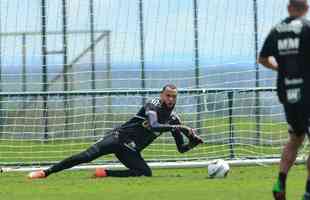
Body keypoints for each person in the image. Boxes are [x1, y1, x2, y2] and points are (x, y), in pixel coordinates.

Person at [28, 84, 203, 179]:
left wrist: (192, 144)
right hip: (118, 138)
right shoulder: (153, 104)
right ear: (162, 95)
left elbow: (181, 149)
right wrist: (180, 128)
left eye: (174, 96)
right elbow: (154, 125)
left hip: (131, 150)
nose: (171, 99)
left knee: (145, 173)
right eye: (168, 95)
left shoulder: (174, 120)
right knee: (86, 156)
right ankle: (46, 173)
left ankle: (105, 173)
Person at [258, 0, 310, 199]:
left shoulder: (276, 30)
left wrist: (279, 68)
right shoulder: (306, 28)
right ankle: (308, 191)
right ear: (306, 9)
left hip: (287, 94)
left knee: (295, 139)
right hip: (307, 92)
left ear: (289, 8)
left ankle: (280, 181)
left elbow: (262, 59)